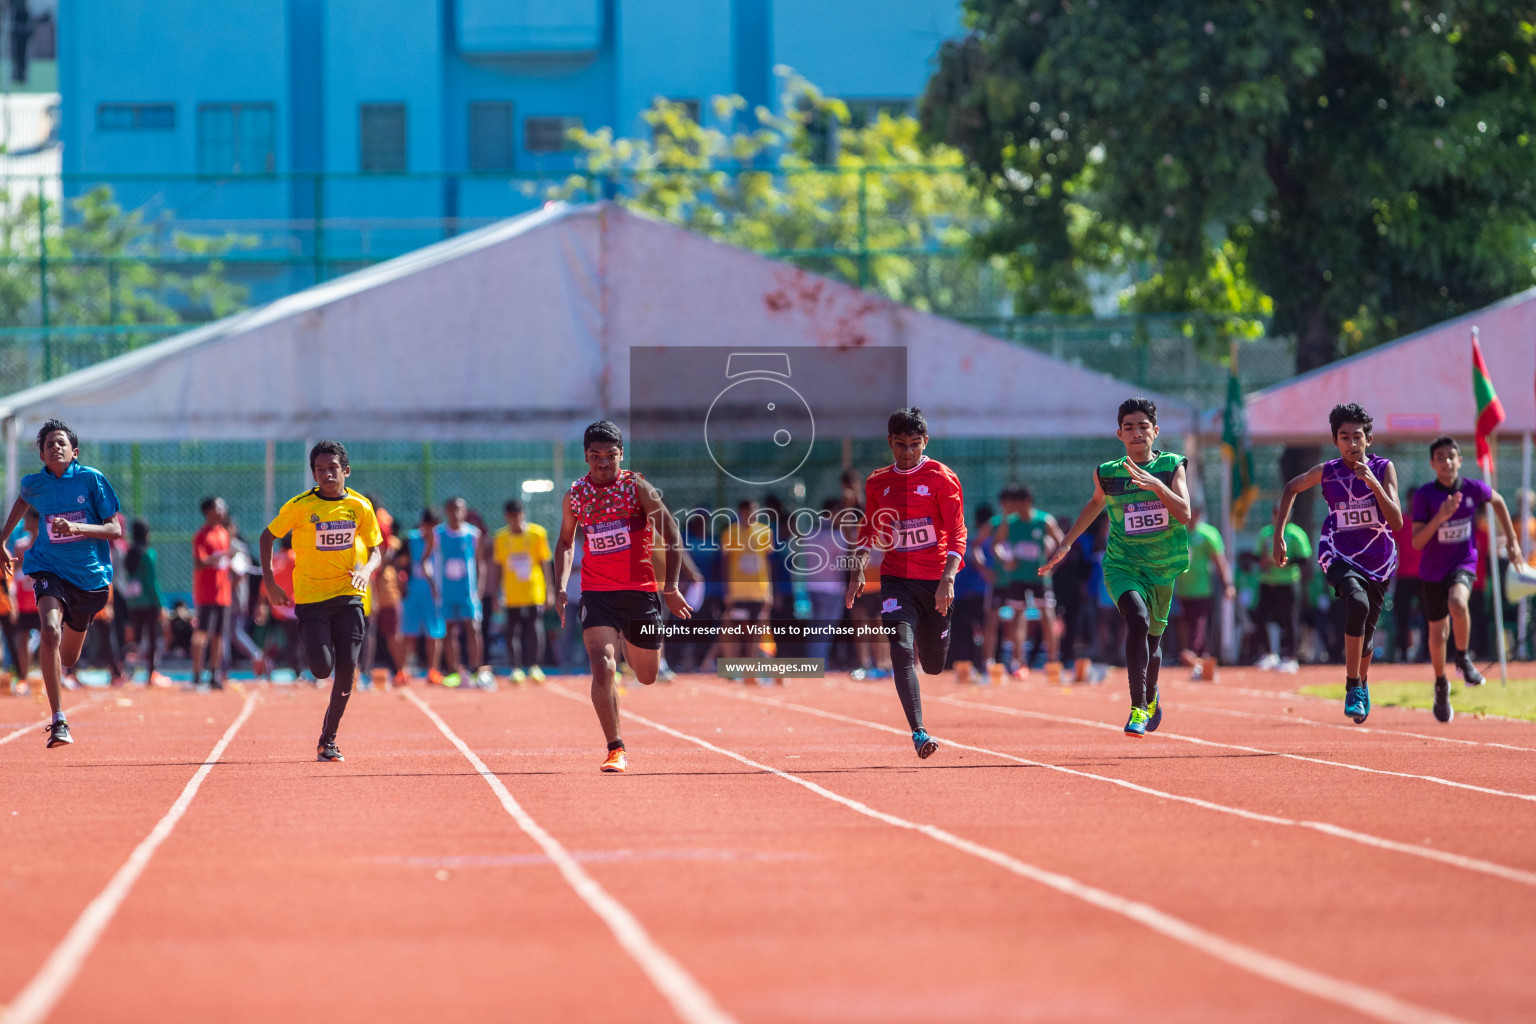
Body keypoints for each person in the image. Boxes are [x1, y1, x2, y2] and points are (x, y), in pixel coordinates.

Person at [1041, 398, 1191, 737]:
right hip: (1122, 564)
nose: (1137, 433)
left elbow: (1184, 512)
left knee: (1153, 644)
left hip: (1163, 568)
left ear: (1155, 431)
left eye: (1143, 427)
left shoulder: (1171, 465)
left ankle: (1151, 695)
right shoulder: (1108, 473)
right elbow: (1095, 503)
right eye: (1129, 428)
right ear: (1119, 434)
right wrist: (1065, 544)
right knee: (1135, 619)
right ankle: (1137, 707)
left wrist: (1157, 486)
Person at [553, 420, 691, 773]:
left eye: (610, 456)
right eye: (595, 456)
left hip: (640, 593)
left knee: (646, 675)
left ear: (621, 454)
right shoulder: (576, 495)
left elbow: (673, 536)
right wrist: (561, 586)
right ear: (585, 457)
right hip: (598, 593)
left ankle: (632, 642)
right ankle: (616, 748)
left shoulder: (637, 488)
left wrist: (671, 588)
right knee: (602, 666)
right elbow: (567, 543)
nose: (603, 463)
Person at [845, 407, 967, 759]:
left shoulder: (942, 478)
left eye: (914, 444)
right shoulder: (877, 482)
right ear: (890, 443)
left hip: (936, 582)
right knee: (900, 648)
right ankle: (919, 732)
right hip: (897, 578)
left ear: (925, 442)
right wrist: (856, 572)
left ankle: (936, 635)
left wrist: (948, 577)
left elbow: (958, 531)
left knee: (932, 664)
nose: (907, 452)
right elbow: (868, 530)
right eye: (900, 445)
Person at [1272, 403, 1402, 724]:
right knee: (1355, 602)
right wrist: (1279, 536)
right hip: (1338, 553)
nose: (1351, 444)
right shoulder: (1327, 471)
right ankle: (1352, 685)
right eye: (1344, 437)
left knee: (1367, 637)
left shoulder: (1384, 468)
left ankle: (1362, 681)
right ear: (1335, 441)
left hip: (1378, 560)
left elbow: (1397, 522)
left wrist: (1373, 484)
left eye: (1357, 436)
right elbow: (1291, 488)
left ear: (1368, 439)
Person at [0, 420, 123, 747]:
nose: (55, 447)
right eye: (49, 444)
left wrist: (79, 529)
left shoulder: (91, 479)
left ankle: (69, 646)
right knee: (50, 630)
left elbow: (114, 530)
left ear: (74, 451)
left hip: (89, 580)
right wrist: (1, 540)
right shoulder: (34, 483)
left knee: (68, 657)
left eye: (61, 443)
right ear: (41, 453)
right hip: (48, 569)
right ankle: (58, 721)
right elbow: (22, 501)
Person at [260, 440, 384, 762]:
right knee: (321, 669)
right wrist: (270, 582)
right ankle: (313, 642)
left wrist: (367, 570)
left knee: (346, 672)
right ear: (313, 474)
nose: (327, 475)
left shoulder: (360, 507)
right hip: (312, 599)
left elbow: (375, 550)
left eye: (332, 469)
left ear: (346, 470)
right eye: (320, 470)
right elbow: (267, 536)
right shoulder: (300, 506)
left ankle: (328, 739)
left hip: (350, 597)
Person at [1410, 435, 1523, 721]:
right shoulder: (1425, 496)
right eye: (1440, 458)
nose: (1446, 462)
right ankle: (1440, 683)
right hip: (1433, 570)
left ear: (1460, 460)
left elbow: (1497, 501)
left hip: (1462, 561)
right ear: (1432, 464)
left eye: (1451, 456)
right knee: (1437, 633)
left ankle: (1462, 657)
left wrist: (1511, 540)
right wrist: (1441, 517)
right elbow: (1417, 542)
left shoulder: (1473, 488)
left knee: (1458, 603)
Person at [492, 499, 553, 683]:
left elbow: (545, 563)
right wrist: (496, 593)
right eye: (511, 516)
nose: (515, 520)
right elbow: (498, 568)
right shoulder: (501, 537)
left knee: (535, 627)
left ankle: (535, 667)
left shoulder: (537, 533)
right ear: (506, 517)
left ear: (523, 514)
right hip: (511, 592)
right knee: (512, 629)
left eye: (518, 515)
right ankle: (516, 668)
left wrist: (550, 590)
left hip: (534, 590)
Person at [435, 496, 491, 689]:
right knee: (449, 631)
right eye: (452, 509)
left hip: (468, 592)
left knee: (473, 629)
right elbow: (428, 560)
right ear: (446, 511)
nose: (456, 513)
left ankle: (476, 671)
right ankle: (453, 672)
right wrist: (434, 585)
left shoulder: (473, 534)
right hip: (447, 592)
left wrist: (480, 589)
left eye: (459, 509)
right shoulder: (438, 534)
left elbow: (480, 563)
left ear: (464, 511)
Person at [1175, 503, 1233, 681]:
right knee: (1184, 623)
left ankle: (1193, 655)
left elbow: (1219, 560)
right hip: (1182, 589)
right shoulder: (1179, 533)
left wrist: (1227, 583)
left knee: (1199, 624)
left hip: (1202, 589)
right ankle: (1199, 658)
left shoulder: (1208, 534)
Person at [1254, 509, 1311, 673]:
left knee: (1290, 620)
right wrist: (1263, 560)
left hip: (1288, 582)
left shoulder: (1296, 534)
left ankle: (1291, 657)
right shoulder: (1266, 533)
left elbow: (1304, 559)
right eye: (1274, 513)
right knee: (1260, 616)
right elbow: (1257, 555)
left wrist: (1284, 560)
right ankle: (1268, 654)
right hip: (1268, 582)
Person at [190, 496, 232, 688]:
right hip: (206, 593)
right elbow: (199, 563)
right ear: (209, 511)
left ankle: (215, 673)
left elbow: (226, 562)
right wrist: (217, 557)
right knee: (202, 633)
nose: (223, 510)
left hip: (223, 592)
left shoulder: (224, 533)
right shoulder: (201, 535)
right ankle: (197, 672)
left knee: (219, 634)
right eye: (218, 507)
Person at [400, 508, 445, 683]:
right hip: (412, 592)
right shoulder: (411, 539)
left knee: (434, 632)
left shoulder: (441, 541)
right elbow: (401, 562)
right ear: (422, 524)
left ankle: (433, 670)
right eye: (429, 526)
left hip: (434, 595)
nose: (432, 530)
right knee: (408, 631)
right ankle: (404, 670)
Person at [121, 519, 167, 686]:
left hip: (133, 602)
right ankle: (151, 673)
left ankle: (127, 671)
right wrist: (160, 604)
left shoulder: (129, 553)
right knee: (153, 637)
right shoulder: (148, 554)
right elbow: (151, 582)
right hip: (149, 602)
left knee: (136, 638)